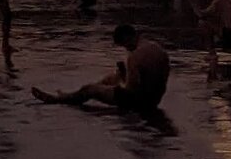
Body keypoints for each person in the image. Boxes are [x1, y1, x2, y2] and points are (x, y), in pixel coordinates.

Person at [34, 22, 170, 115]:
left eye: (124, 45)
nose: (126, 49)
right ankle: (86, 91)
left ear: (128, 38)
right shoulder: (158, 49)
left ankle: (59, 99)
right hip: (154, 99)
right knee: (113, 77)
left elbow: (131, 89)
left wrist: (121, 83)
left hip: (137, 101)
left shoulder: (134, 57)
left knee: (89, 89)